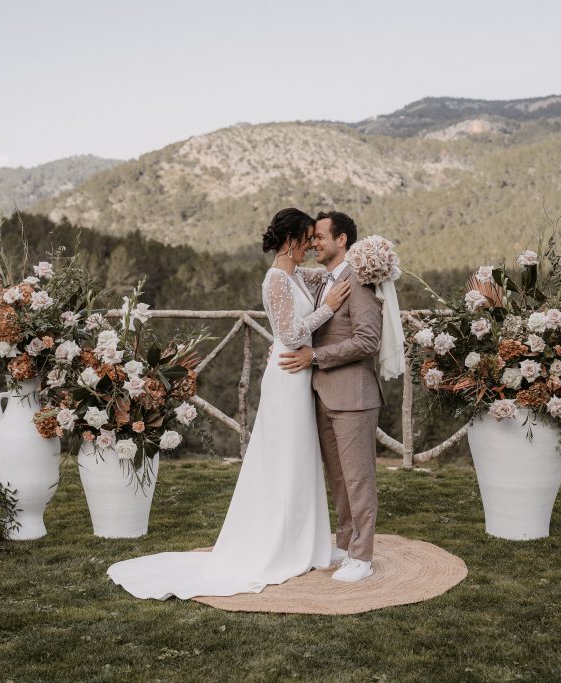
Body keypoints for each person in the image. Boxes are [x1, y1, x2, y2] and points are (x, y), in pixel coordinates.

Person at [107, 208, 351, 599]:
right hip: (287, 376)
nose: (310, 245)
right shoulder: (275, 279)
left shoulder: (298, 275)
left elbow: (331, 274)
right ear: (291, 239)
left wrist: (364, 258)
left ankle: (306, 543)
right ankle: (280, 545)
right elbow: (290, 334)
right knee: (284, 457)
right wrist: (329, 309)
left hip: (300, 374)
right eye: (307, 238)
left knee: (301, 458)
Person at [278, 211, 385, 583]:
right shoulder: (324, 281)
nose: (314, 243)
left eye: (320, 236)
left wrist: (316, 357)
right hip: (322, 394)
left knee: (358, 479)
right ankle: (345, 543)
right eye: (311, 237)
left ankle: (363, 556)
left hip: (354, 395)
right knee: (338, 478)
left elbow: (368, 341)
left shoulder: (359, 281)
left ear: (342, 240)